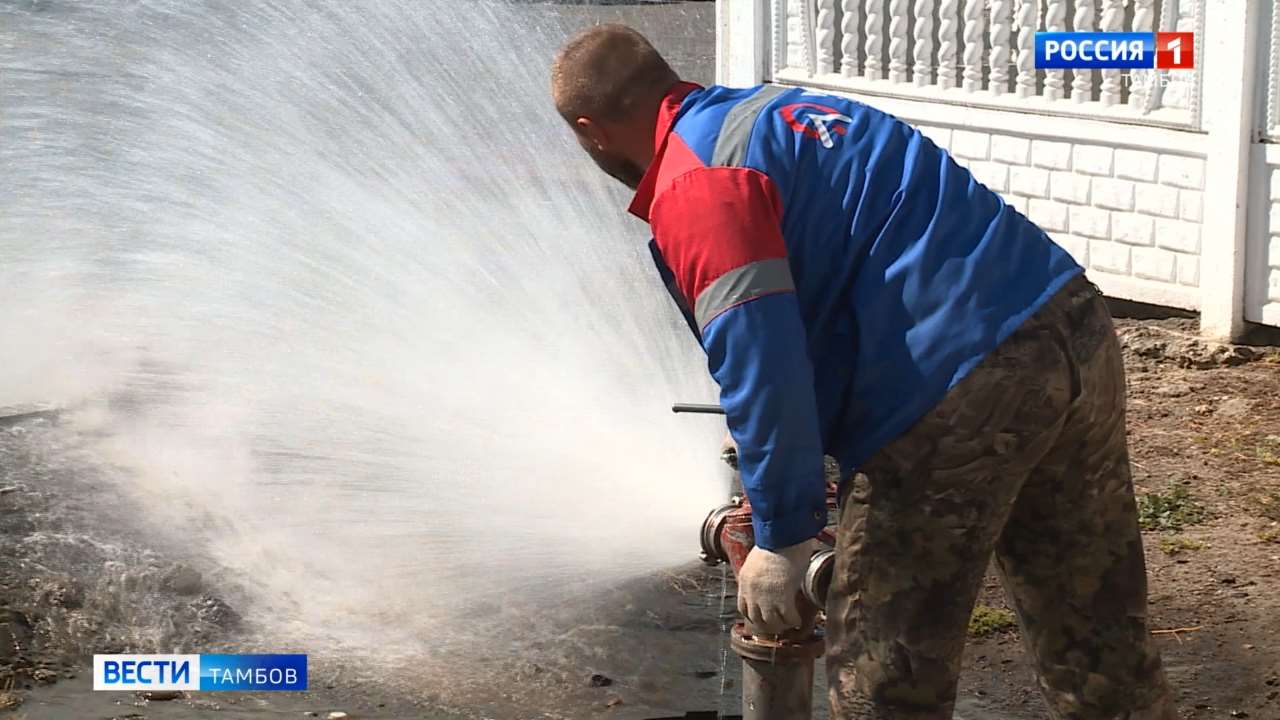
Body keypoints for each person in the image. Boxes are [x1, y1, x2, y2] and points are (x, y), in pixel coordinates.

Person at [549, 24, 1176, 720]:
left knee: (886, 682)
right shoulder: (778, 115)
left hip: (954, 389)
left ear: (591, 129)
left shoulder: (698, 184)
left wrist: (784, 536)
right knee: (1095, 639)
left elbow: (763, 358)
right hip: (1070, 326)